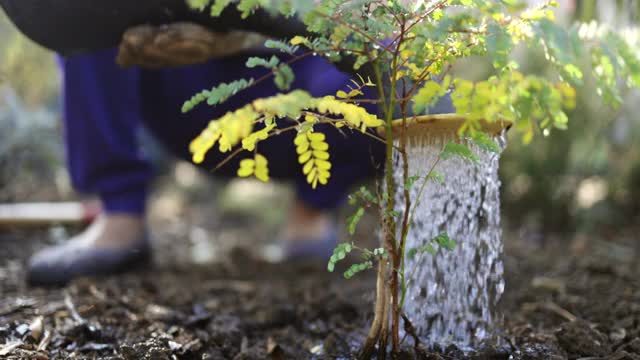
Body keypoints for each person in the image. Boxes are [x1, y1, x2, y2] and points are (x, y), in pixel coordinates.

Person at [25, 26, 388, 286]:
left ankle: (311, 212)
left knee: (389, 62)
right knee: (85, 12)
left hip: (301, 84)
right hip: (183, 81)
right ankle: (120, 216)